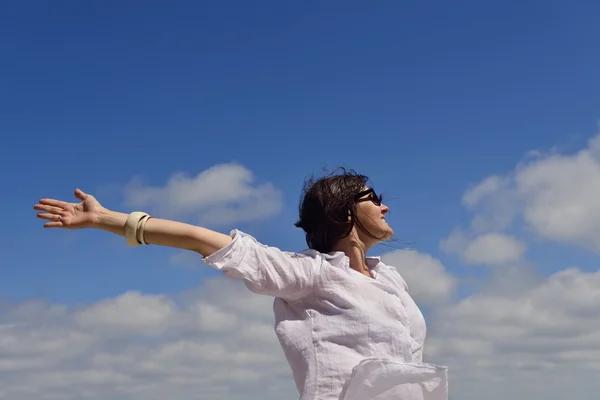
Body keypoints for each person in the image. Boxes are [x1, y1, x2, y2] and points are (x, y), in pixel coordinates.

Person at [33, 169, 447, 400]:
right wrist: (107, 219)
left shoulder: (391, 279)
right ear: (343, 212)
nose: (385, 204)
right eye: (372, 196)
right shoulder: (311, 273)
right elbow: (201, 239)